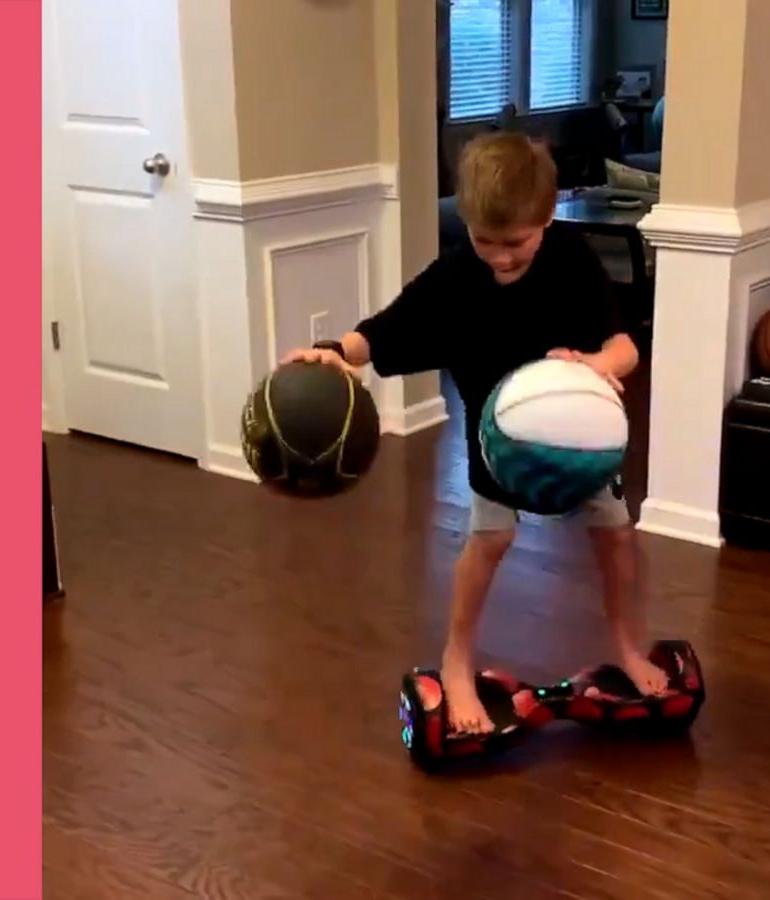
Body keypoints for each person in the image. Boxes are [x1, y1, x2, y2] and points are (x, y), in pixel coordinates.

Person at [283, 132, 667, 736]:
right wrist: (336, 352)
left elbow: (625, 347)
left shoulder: (573, 258)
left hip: (583, 437)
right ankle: (456, 660)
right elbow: (387, 329)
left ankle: (626, 643)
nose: (501, 257)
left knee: (616, 536)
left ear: (545, 219)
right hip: (500, 444)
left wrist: (597, 367)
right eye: (485, 241)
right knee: (489, 543)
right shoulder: (457, 276)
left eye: (516, 242)